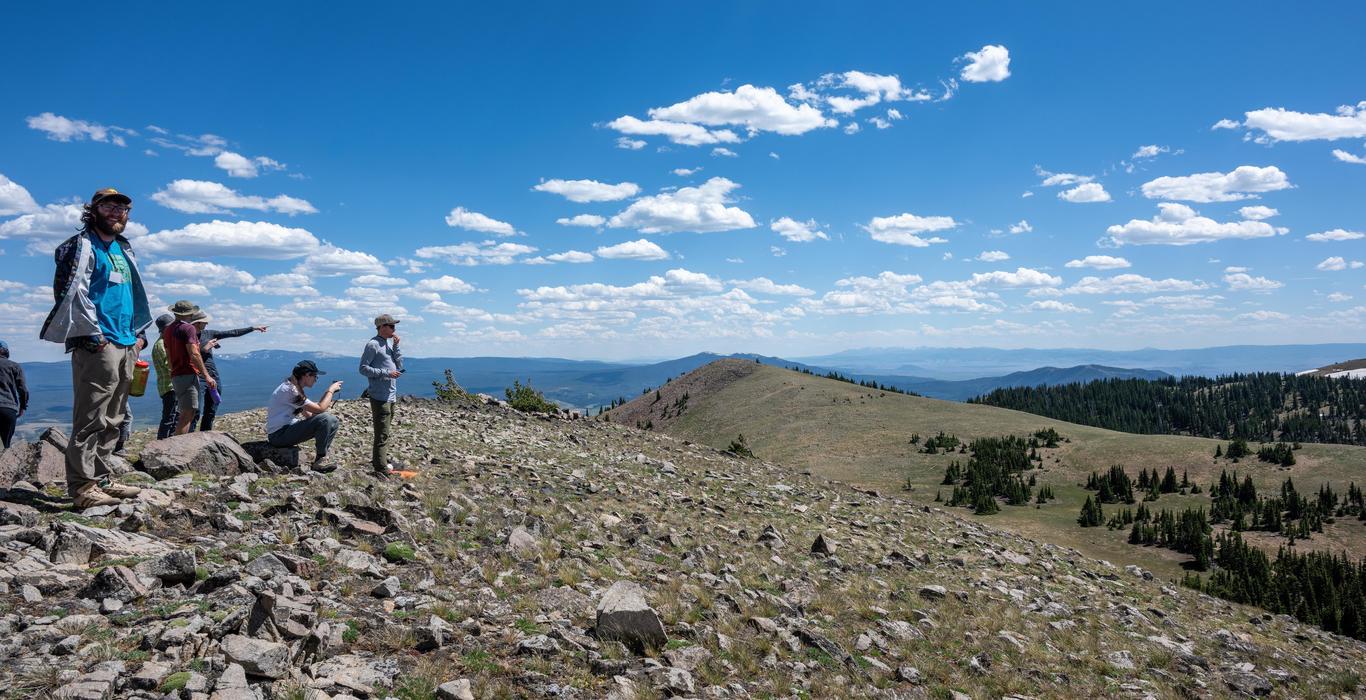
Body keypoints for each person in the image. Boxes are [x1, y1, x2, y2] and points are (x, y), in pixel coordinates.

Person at [38, 188, 148, 508]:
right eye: (110, 206)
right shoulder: (80, 246)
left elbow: (132, 296)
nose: (117, 212)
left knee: (114, 418)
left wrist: (140, 335)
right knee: (90, 417)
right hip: (99, 342)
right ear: (95, 209)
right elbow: (73, 293)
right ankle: (83, 487)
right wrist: (93, 336)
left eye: (123, 209)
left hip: (127, 341)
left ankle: (102, 478)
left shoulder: (122, 249)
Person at [266, 360, 342, 473]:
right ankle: (320, 460)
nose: (316, 380)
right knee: (326, 419)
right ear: (306, 375)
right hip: (278, 435)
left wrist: (325, 399)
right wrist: (330, 391)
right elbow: (320, 409)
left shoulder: (294, 387)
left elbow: (311, 415)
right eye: (315, 376)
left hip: (285, 430)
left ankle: (321, 457)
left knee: (333, 421)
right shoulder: (290, 390)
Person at [195, 323, 268, 431]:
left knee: (212, 408)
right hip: (198, 376)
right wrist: (204, 349)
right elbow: (189, 356)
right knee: (195, 409)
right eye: (203, 321)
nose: (206, 323)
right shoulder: (188, 336)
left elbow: (233, 333)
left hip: (213, 375)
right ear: (196, 322)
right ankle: (188, 438)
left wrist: (253, 328)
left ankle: (205, 434)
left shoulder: (209, 333)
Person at [359, 314, 404, 476]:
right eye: (391, 326)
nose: (394, 329)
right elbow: (363, 368)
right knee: (382, 433)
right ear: (382, 327)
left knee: (385, 432)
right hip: (380, 396)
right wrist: (386, 373)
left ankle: (381, 462)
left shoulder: (387, 344)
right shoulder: (373, 345)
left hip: (390, 395)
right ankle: (380, 468)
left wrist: (397, 347)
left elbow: (399, 365)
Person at [163, 302, 216, 435]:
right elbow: (194, 353)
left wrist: (173, 369)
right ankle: (179, 450)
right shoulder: (188, 329)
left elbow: (168, 353)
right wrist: (206, 376)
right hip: (188, 373)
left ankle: (178, 446)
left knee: (185, 412)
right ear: (189, 314)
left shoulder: (168, 329)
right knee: (187, 414)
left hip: (176, 374)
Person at [151, 314, 179, 439]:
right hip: (170, 386)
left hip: (168, 386)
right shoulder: (162, 345)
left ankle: (168, 442)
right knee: (169, 417)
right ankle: (162, 443)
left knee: (173, 416)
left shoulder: (162, 343)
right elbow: (170, 366)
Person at [0, 340, 29, 449]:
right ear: (6, 352)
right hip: (8, 409)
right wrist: (22, 406)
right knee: (5, 444)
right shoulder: (14, 366)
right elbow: (23, 389)